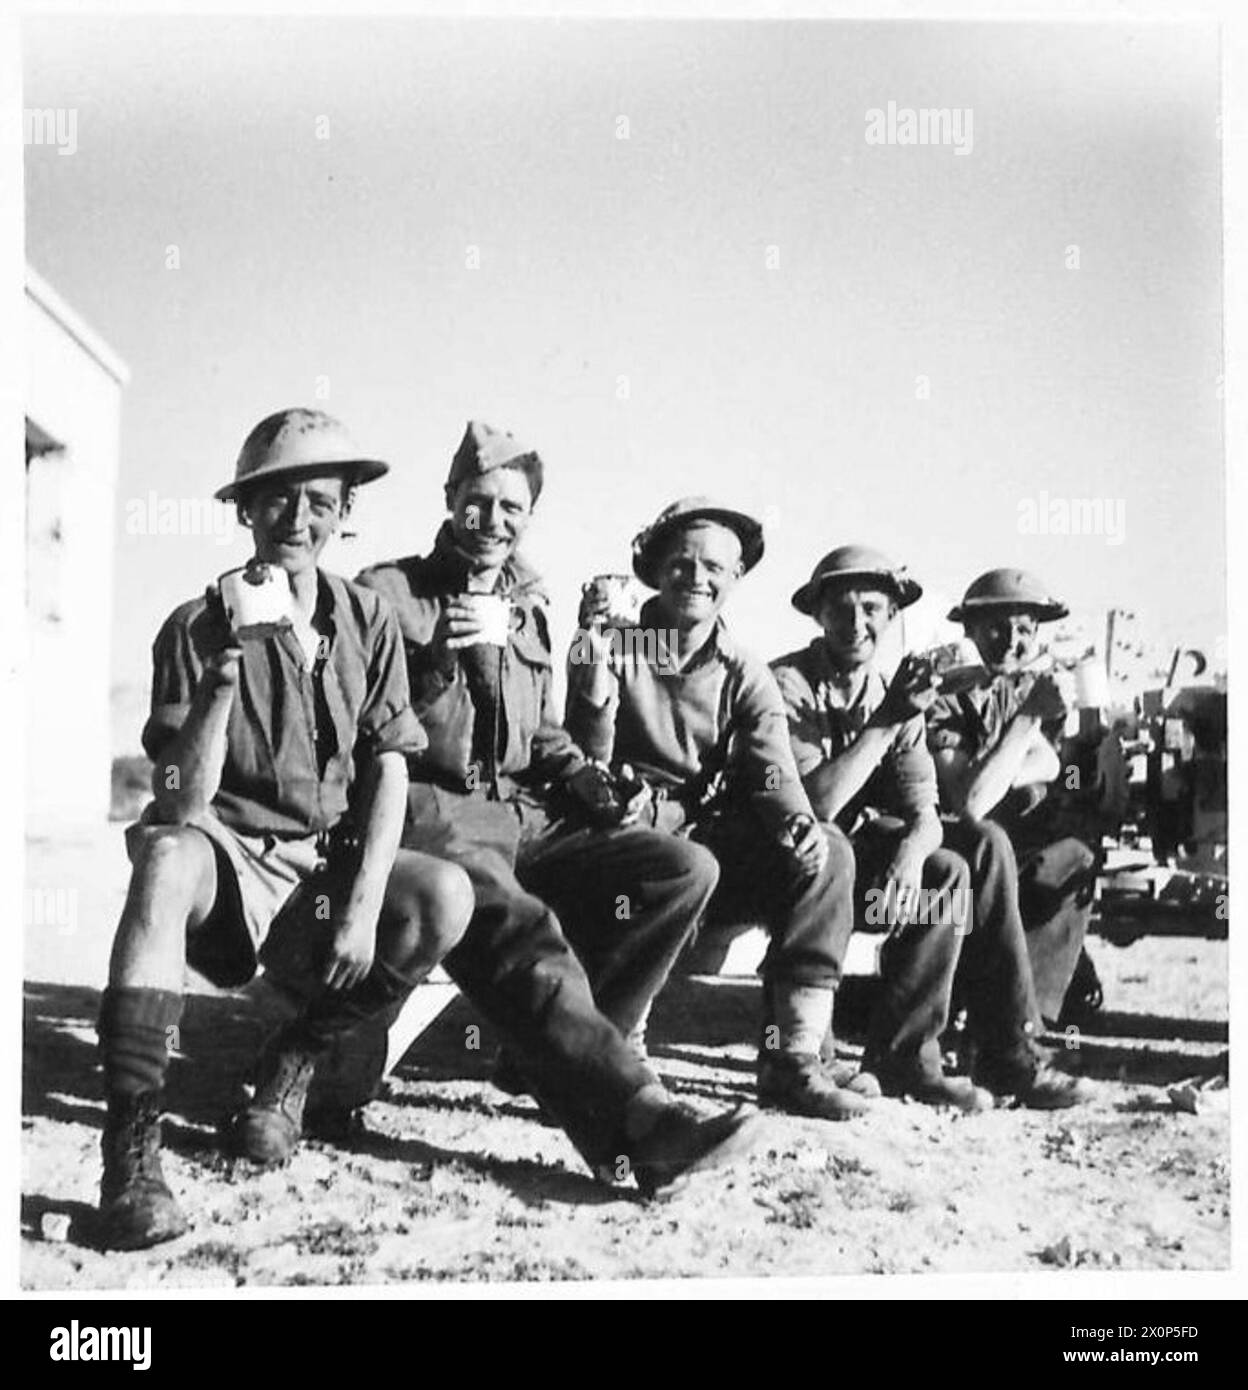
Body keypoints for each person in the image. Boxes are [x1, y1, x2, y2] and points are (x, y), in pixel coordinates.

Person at [97, 408, 476, 1251]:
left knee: (443, 897)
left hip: (324, 868)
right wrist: (223, 681)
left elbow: (389, 763)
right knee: (161, 858)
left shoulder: (368, 619)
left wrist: (364, 902)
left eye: (317, 501)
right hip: (227, 857)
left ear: (346, 513)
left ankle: (290, 1066)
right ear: (244, 511)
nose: (295, 521)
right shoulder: (195, 626)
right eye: (274, 501)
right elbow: (178, 805)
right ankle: (131, 1152)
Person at [356, 425, 763, 1198]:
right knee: (521, 929)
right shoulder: (388, 592)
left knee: (680, 867)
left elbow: (539, 731)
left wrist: (584, 778)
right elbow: (367, 722)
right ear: (449, 502)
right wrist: (440, 656)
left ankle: (552, 1057)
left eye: (512, 508)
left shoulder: (529, 603)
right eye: (478, 503)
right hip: (435, 807)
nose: (494, 521)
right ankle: (639, 1120)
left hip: (525, 808)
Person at [564, 498, 874, 1122]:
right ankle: (619, 1051)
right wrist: (594, 671)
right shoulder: (617, 641)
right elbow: (583, 758)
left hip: (700, 841)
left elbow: (770, 767)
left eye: (714, 568)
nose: (696, 579)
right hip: (617, 833)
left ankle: (792, 1059)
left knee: (828, 851)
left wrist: (794, 819)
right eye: (680, 563)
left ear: (735, 580)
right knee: (670, 862)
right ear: (653, 569)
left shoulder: (743, 670)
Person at [772, 546, 1090, 1110]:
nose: (856, 623)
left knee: (955, 864)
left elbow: (925, 806)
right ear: (817, 615)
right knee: (864, 847)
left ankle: (931, 1055)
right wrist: (891, 718)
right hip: (794, 857)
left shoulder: (895, 689)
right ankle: (814, 1054)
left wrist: (913, 852)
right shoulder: (790, 684)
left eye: (872, 608)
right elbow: (817, 804)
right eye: (841, 609)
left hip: (862, 852)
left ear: (893, 616)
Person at [929, 568, 1098, 1028]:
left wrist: (1001, 765)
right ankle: (991, 1013)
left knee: (1074, 857)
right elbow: (971, 804)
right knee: (989, 843)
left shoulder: (1017, 690)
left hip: (1011, 846)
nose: (1011, 641)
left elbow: (1051, 765)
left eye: (1024, 629)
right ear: (969, 631)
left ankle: (1031, 1019)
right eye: (996, 627)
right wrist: (1025, 724)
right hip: (957, 848)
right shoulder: (944, 696)